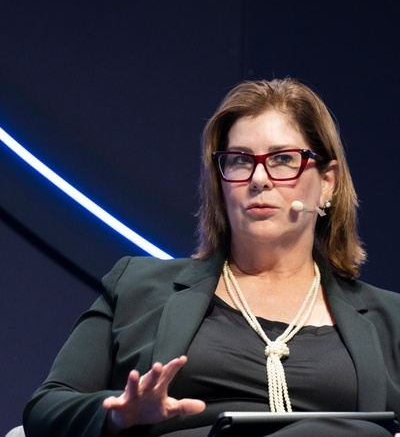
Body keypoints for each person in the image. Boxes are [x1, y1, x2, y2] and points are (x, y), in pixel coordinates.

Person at [23, 78, 400, 437]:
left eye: (283, 159)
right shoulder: (135, 288)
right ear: (220, 185)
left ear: (327, 183)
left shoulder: (390, 319)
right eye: (238, 161)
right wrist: (119, 413)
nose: (259, 178)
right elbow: (47, 408)